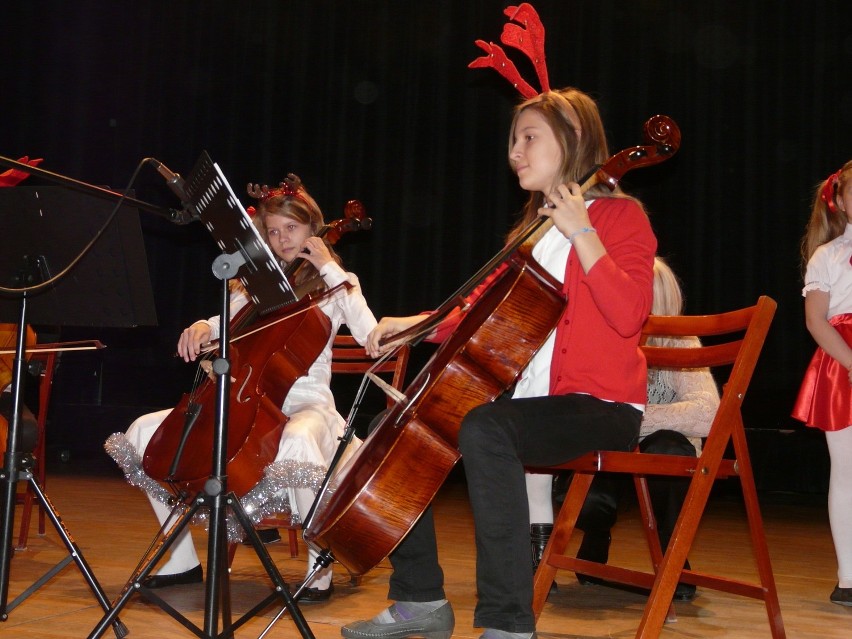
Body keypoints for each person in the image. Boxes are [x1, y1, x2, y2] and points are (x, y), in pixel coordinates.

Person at [343, 86, 656, 639]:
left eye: (529, 137)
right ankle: (421, 602)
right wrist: (410, 328)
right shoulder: (529, 237)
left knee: (487, 428)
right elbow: (475, 311)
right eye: (514, 140)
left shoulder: (620, 220)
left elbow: (630, 313)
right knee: (393, 428)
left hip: (601, 406)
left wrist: (582, 230)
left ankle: (509, 624)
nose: (515, 151)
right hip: (531, 406)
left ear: (574, 138)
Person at [106, 174, 377, 602]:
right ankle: (180, 563)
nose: (283, 238)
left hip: (306, 404)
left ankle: (318, 568)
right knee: (145, 433)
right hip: (242, 401)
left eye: (293, 228)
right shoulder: (255, 287)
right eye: (273, 231)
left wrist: (328, 266)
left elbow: (370, 335)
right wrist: (199, 326)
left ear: (313, 230)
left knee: (300, 436)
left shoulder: (336, 283)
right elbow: (223, 328)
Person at [526, 256, 720, 603]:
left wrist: (630, 417)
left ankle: (672, 557)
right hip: (609, 453)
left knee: (670, 450)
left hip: (653, 455)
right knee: (586, 485)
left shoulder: (682, 341)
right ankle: (596, 536)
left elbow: (707, 414)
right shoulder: (599, 340)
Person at [792, 159, 852, 607]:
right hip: (841, 361)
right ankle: (848, 576)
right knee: (847, 473)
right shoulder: (828, 256)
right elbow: (816, 320)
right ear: (841, 202)